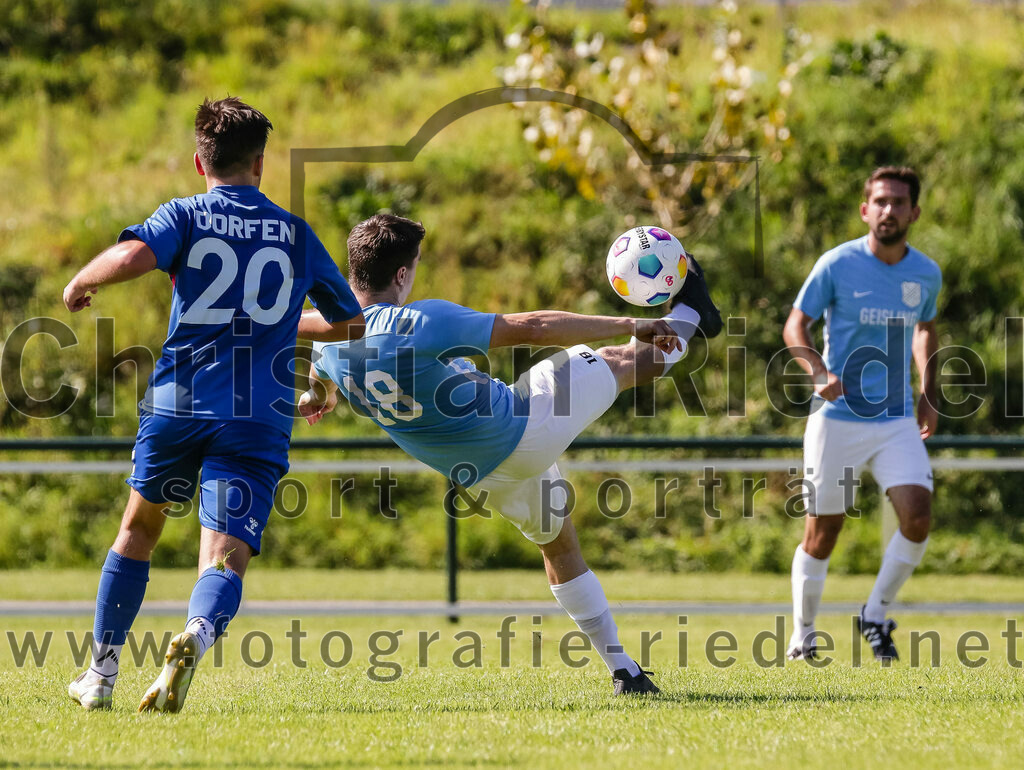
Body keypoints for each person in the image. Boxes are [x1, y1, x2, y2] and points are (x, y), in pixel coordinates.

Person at [299, 214, 721, 695]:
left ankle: (624, 670)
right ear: (400, 275)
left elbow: (320, 382)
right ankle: (692, 315)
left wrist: (318, 397)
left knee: (559, 547)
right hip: (523, 422)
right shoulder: (414, 320)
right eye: (414, 265)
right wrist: (632, 323)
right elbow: (534, 326)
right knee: (628, 360)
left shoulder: (330, 338)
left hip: (483, 475)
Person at [63, 97, 364, 711]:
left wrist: (84, 279)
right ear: (260, 162)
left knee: (137, 531)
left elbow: (133, 257)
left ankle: (100, 675)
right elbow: (351, 324)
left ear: (200, 164)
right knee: (223, 554)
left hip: (180, 405)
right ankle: (196, 634)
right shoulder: (295, 233)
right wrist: (282, 322)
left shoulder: (186, 213)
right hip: (256, 416)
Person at [782, 166, 940, 663]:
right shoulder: (836, 264)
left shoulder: (926, 273)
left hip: (894, 419)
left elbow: (925, 329)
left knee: (917, 517)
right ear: (865, 209)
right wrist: (816, 373)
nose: (889, 209)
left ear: (914, 212)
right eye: (881, 201)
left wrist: (928, 389)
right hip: (838, 416)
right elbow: (795, 325)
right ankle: (802, 635)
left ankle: (874, 613)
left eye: (899, 202)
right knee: (823, 533)